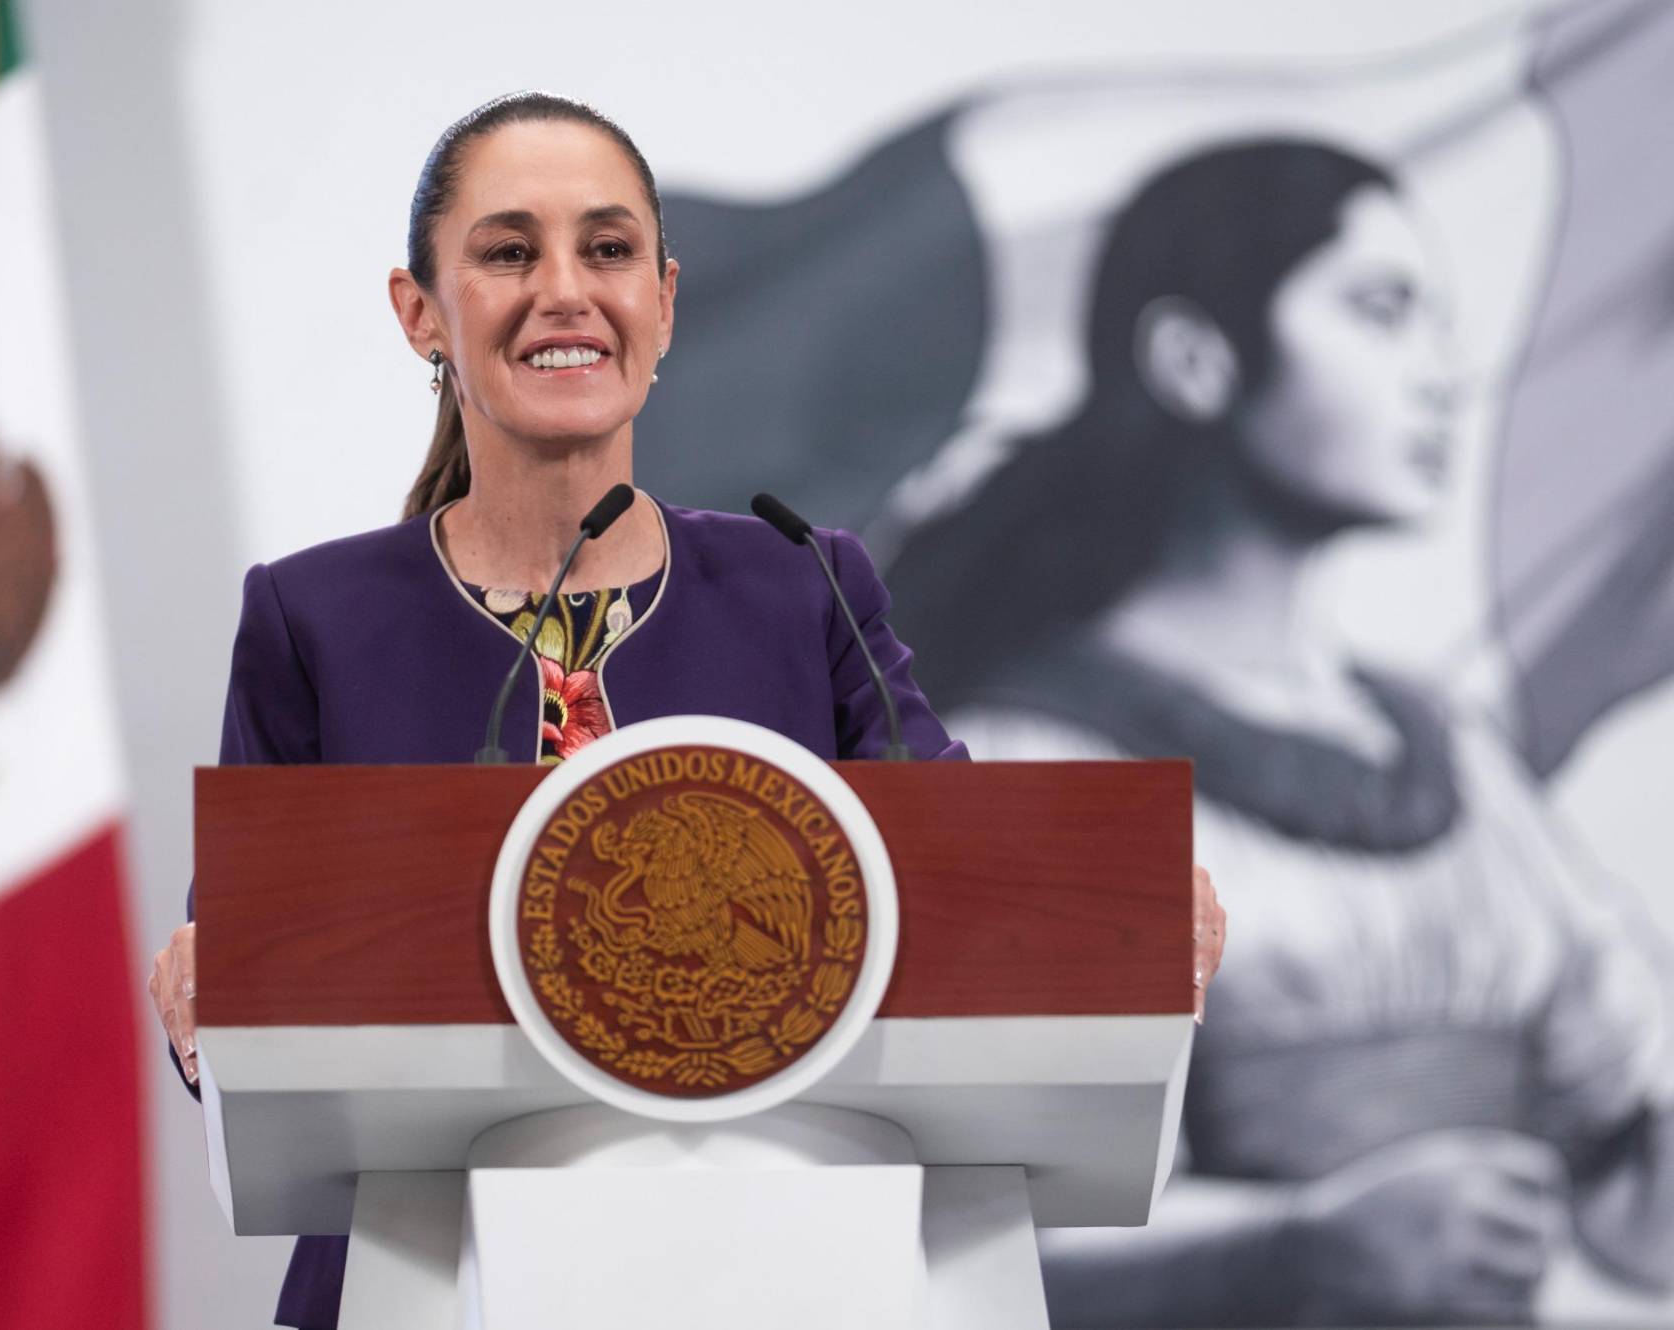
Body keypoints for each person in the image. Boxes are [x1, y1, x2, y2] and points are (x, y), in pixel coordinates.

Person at [143, 90, 1234, 1329]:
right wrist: (202, 1001)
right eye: (508, 252)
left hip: (796, 1274)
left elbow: (972, 890)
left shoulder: (803, 583)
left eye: (607, 249)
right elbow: (253, 1008)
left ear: (662, 304)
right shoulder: (313, 619)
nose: (565, 291)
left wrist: (1126, 912)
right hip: (428, 1281)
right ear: (419, 312)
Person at [885, 138, 1674, 1326]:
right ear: (1193, 359)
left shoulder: (1449, 755)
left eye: (1437, 323)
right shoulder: (1036, 766)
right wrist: (1302, 1243)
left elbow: (1621, 1172)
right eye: (1379, 312)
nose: (1439, 375)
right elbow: (982, 1244)